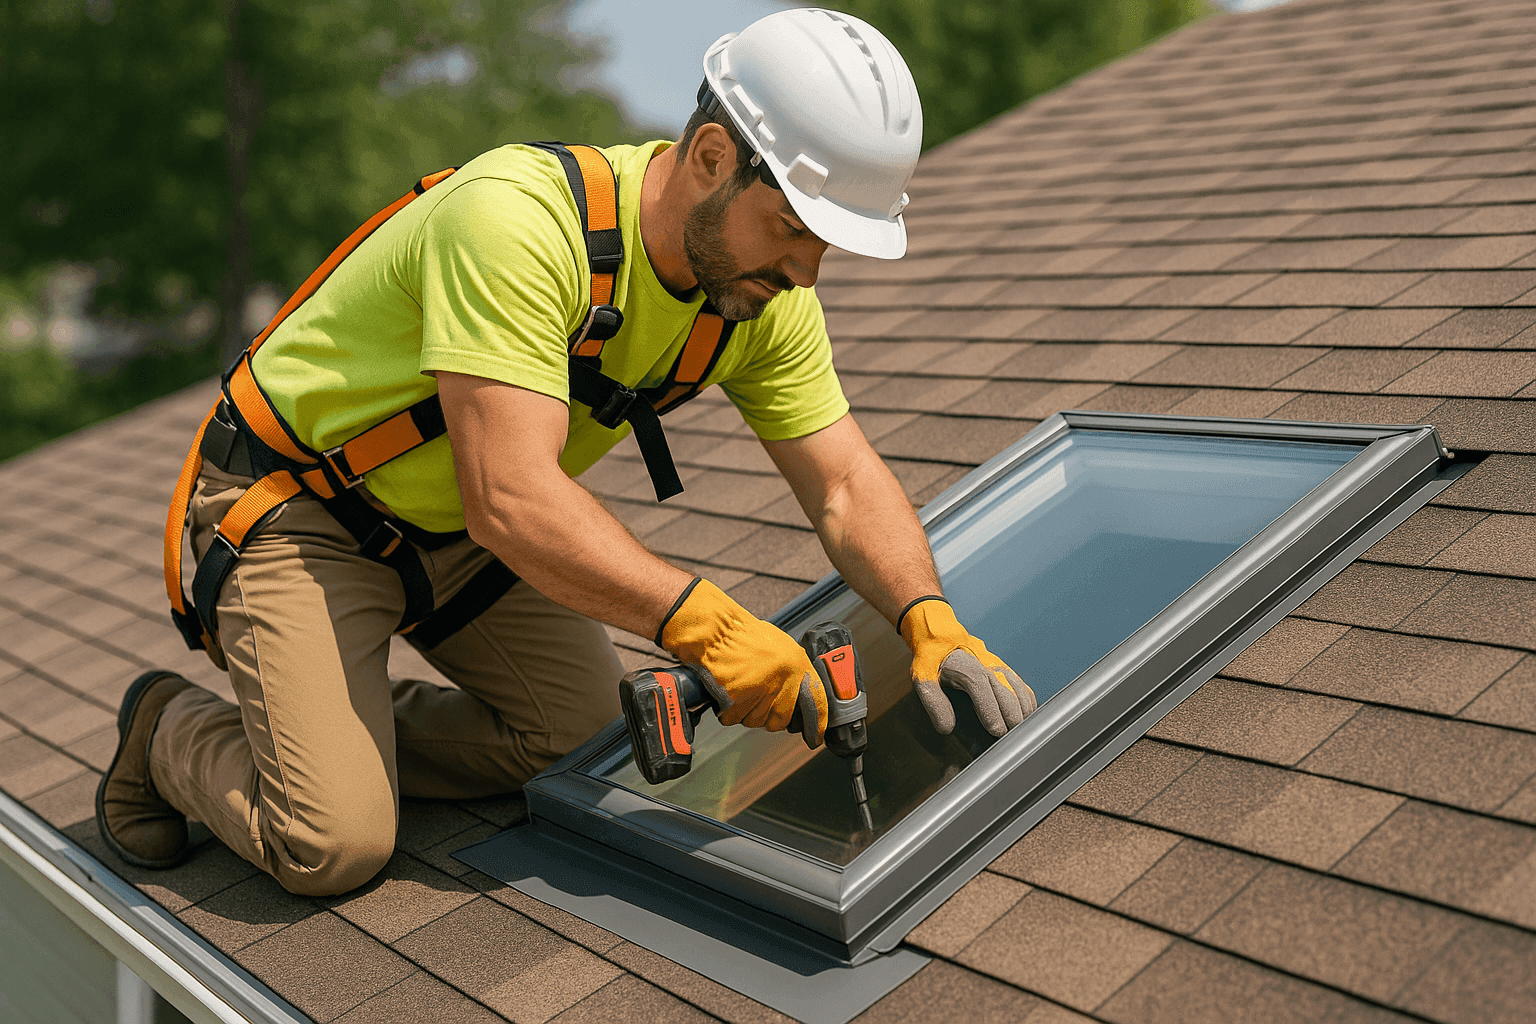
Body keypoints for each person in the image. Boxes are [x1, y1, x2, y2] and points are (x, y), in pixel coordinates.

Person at [96, 8, 1036, 897]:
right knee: (334, 843)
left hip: (459, 535)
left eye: (825, 245)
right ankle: (167, 727)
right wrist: (710, 630)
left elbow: (844, 483)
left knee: (585, 747)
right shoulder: (519, 223)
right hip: (306, 512)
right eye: (794, 229)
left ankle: (338, 737)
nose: (807, 271)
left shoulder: (758, 301)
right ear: (714, 157)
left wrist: (926, 616)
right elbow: (510, 496)